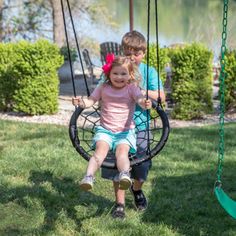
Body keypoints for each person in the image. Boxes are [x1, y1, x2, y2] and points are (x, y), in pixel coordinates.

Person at [101, 30, 166, 219]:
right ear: (123, 52)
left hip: (140, 125)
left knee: (141, 164)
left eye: (136, 54)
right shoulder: (115, 69)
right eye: (128, 54)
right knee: (116, 164)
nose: (132, 58)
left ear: (143, 53)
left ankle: (137, 190)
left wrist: (140, 91)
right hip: (116, 127)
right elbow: (101, 89)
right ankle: (119, 203)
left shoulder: (149, 72)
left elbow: (161, 96)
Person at [72, 54, 152, 191]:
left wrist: (145, 103)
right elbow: (91, 100)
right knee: (99, 153)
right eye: (115, 73)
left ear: (130, 75)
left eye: (123, 73)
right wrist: (81, 102)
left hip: (125, 132)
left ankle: (124, 175)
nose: (119, 77)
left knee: (122, 153)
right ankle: (89, 177)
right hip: (105, 131)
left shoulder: (132, 88)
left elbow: (139, 100)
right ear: (109, 74)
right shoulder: (103, 87)